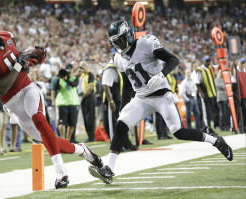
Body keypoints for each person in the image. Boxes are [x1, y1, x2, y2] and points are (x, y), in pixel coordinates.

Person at [88, 20, 233, 184]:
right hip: (141, 98)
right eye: (116, 43)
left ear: (129, 35)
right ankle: (109, 169)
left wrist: (162, 74)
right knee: (121, 124)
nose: (120, 45)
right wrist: (123, 107)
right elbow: (127, 85)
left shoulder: (146, 42)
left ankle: (216, 141)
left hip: (162, 95)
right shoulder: (118, 58)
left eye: (121, 40)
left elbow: (173, 60)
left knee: (178, 132)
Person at [0, 15, 103, 189]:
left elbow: (22, 58)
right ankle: (83, 151)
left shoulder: (7, 37)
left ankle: (61, 173)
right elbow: (1, 87)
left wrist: (33, 57)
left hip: (27, 89)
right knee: (50, 140)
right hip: (11, 103)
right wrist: (20, 64)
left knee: (39, 119)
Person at [102, 50, 137, 151]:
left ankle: (125, 144)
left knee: (121, 122)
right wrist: (110, 101)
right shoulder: (111, 68)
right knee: (112, 124)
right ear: (112, 55)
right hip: (113, 100)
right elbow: (105, 85)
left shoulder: (118, 66)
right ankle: (117, 145)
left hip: (119, 99)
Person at [80, 61, 96, 142]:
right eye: (81, 65)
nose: (82, 67)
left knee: (90, 118)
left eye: (84, 65)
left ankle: (92, 137)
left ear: (87, 66)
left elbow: (90, 88)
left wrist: (83, 96)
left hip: (89, 97)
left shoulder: (90, 74)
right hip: (83, 98)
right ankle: (89, 136)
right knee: (85, 118)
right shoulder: (81, 76)